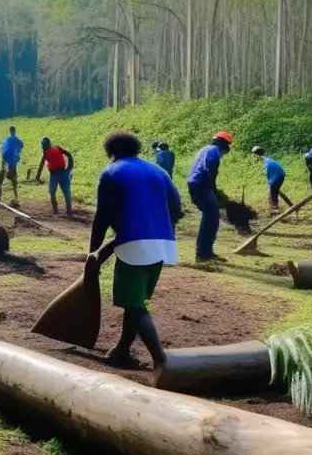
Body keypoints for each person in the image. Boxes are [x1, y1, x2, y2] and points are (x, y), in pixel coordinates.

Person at [87, 132, 181, 383]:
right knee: (137, 301)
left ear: (111, 152)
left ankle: (161, 360)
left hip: (134, 245)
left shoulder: (112, 172)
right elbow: (177, 207)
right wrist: (158, 227)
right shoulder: (158, 171)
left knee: (135, 305)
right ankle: (122, 351)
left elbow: (102, 217)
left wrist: (92, 252)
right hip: (164, 244)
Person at [186, 132, 232, 262]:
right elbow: (209, 169)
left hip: (195, 183)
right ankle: (204, 254)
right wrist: (214, 189)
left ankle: (204, 252)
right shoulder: (214, 151)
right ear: (224, 144)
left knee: (210, 215)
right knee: (212, 217)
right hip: (201, 184)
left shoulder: (205, 148)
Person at [35, 137, 74, 216]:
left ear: (48, 145)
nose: (43, 148)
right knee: (56, 192)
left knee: (62, 192)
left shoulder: (51, 150)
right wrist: (70, 166)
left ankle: (66, 212)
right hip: (56, 174)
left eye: (43, 146)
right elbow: (68, 154)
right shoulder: (55, 149)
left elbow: (41, 164)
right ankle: (58, 212)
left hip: (61, 174)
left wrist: (38, 176)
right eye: (42, 146)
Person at [252, 146, 292, 213]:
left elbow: (265, 171)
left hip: (276, 176)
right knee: (273, 191)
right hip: (279, 175)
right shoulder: (266, 159)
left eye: (253, 154)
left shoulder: (261, 160)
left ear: (255, 154)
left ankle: (275, 209)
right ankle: (289, 206)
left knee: (272, 193)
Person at [0, 126, 24, 205]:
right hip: (13, 160)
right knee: (14, 179)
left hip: (6, 158)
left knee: (3, 176)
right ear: (14, 131)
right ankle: (16, 197)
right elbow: (21, 145)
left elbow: (3, 148)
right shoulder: (16, 139)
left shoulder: (7, 139)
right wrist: (18, 151)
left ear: (10, 131)